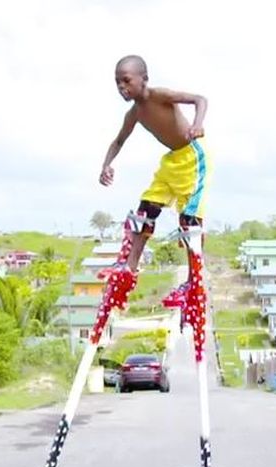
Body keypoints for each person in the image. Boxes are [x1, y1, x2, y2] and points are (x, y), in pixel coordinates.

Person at [98, 55, 210, 306]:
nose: (121, 88)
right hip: (170, 163)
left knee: (189, 223)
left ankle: (194, 284)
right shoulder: (134, 114)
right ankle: (129, 268)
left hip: (191, 160)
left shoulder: (160, 95)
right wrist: (107, 165)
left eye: (126, 81)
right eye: (117, 83)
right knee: (145, 210)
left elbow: (200, 99)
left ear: (144, 79)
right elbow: (118, 141)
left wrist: (197, 124)